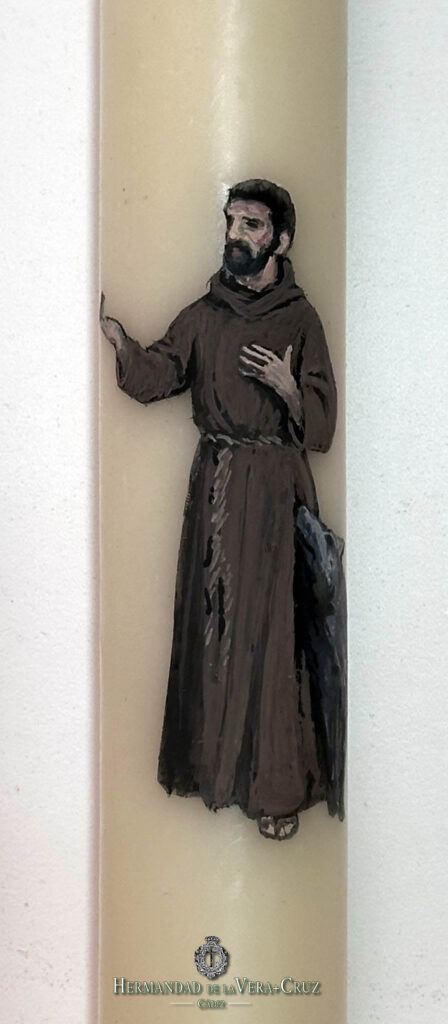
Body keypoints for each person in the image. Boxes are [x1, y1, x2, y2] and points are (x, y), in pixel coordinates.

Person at [100, 178, 338, 841]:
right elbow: (161, 372)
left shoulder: (301, 319)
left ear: (280, 240)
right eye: (232, 221)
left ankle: (275, 793)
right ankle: (211, 776)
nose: (235, 234)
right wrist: (119, 342)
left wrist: (289, 388)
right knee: (214, 631)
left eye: (251, 225)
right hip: (217, 492)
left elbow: (323, 428)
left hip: (278, 493)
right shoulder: (205, 313)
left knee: (276, 640)